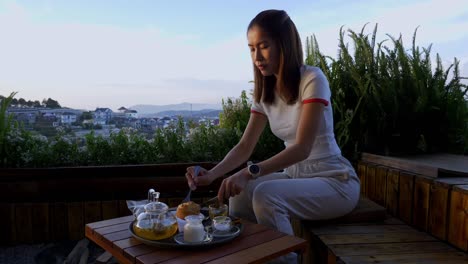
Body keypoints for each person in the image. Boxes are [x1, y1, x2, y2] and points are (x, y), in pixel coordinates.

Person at [185, 9, 360, 263]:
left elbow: (302, 148)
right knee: (243, 193)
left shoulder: (312, 79)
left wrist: (248, 172)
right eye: (251, 48)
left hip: (335, 182)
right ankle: (248, 257)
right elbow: (245, 146)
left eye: (264, 46)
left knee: (266, 194)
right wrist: (212, 175)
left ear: (284, 44)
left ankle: (286, 259)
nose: (257, 56)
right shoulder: (265, 92)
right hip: (296, 178)